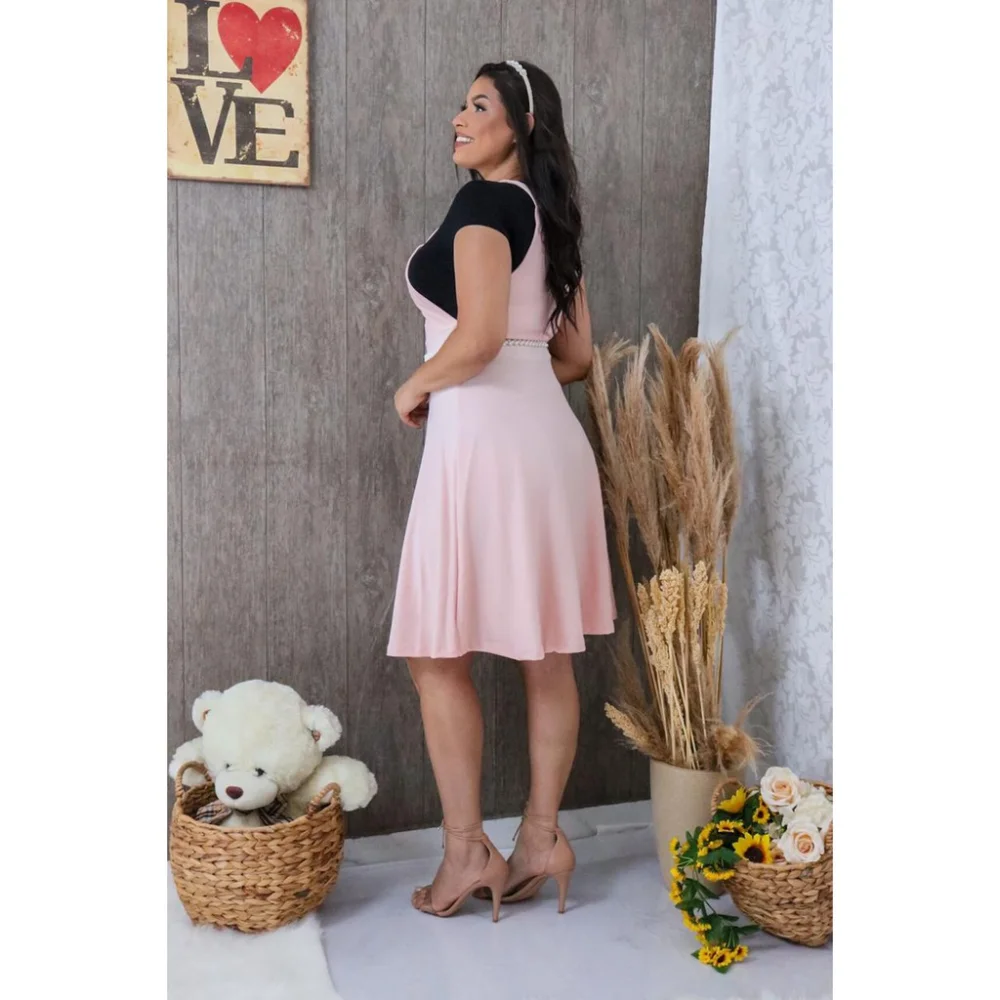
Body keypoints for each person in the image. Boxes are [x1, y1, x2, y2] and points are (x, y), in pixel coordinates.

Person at [387, 59, 616, 920]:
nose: (458, 117)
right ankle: (542, 838)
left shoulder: (484, 206)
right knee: (545, 652)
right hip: (548, 443)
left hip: (483, 445)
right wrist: (512, 359)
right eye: (461, 103)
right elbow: (576, 358)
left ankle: (465, 854)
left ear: (520, 125)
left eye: (478, 104)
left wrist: (416, 383)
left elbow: (479, 336)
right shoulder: (553, 219)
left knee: (437, 653)